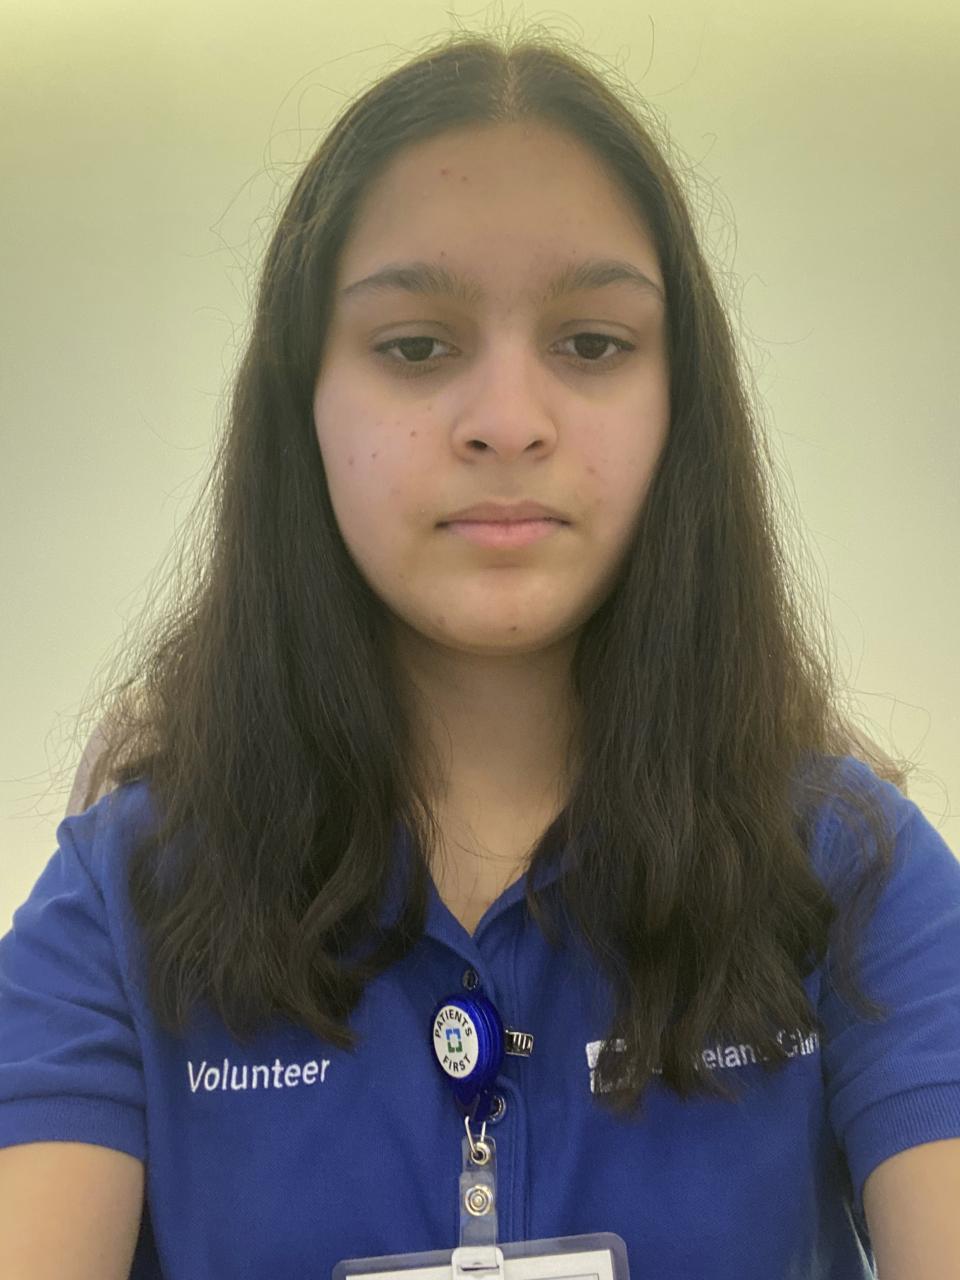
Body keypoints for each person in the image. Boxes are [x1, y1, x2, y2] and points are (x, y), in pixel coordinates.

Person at [2, 24, 959, 1280]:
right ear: (303, 405)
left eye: (592, 343)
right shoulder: (124, 902)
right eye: (416, 346)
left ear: (681, 404)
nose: (508, 422)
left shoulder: (854, 877)